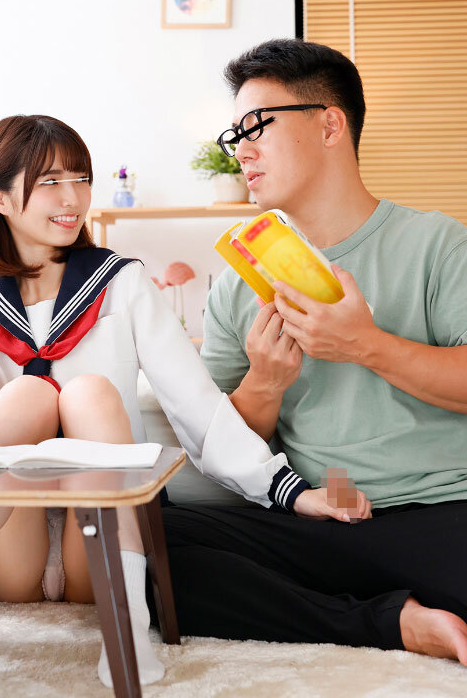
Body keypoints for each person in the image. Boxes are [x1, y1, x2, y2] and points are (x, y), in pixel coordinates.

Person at [0, 114, 358, 684]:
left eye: (81, 179)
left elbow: (195, 402)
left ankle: (125, 625)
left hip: (98, 552)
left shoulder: (122, 282)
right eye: (50, 182)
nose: (72, 198)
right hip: (6, 551)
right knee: (26, 394)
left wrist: (288, 490)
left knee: (91, 393)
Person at [159, 38, 467, 665]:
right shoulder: (237, 287)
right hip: (320, 521)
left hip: (441, 512)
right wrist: (264, 385)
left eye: (257, 126)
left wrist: (367, 346)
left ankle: (348, 609)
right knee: (142, 548)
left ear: (330, 125)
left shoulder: (437, 244)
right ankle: (392, 623)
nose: (241, 150)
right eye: (235, 135)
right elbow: (224, 447)